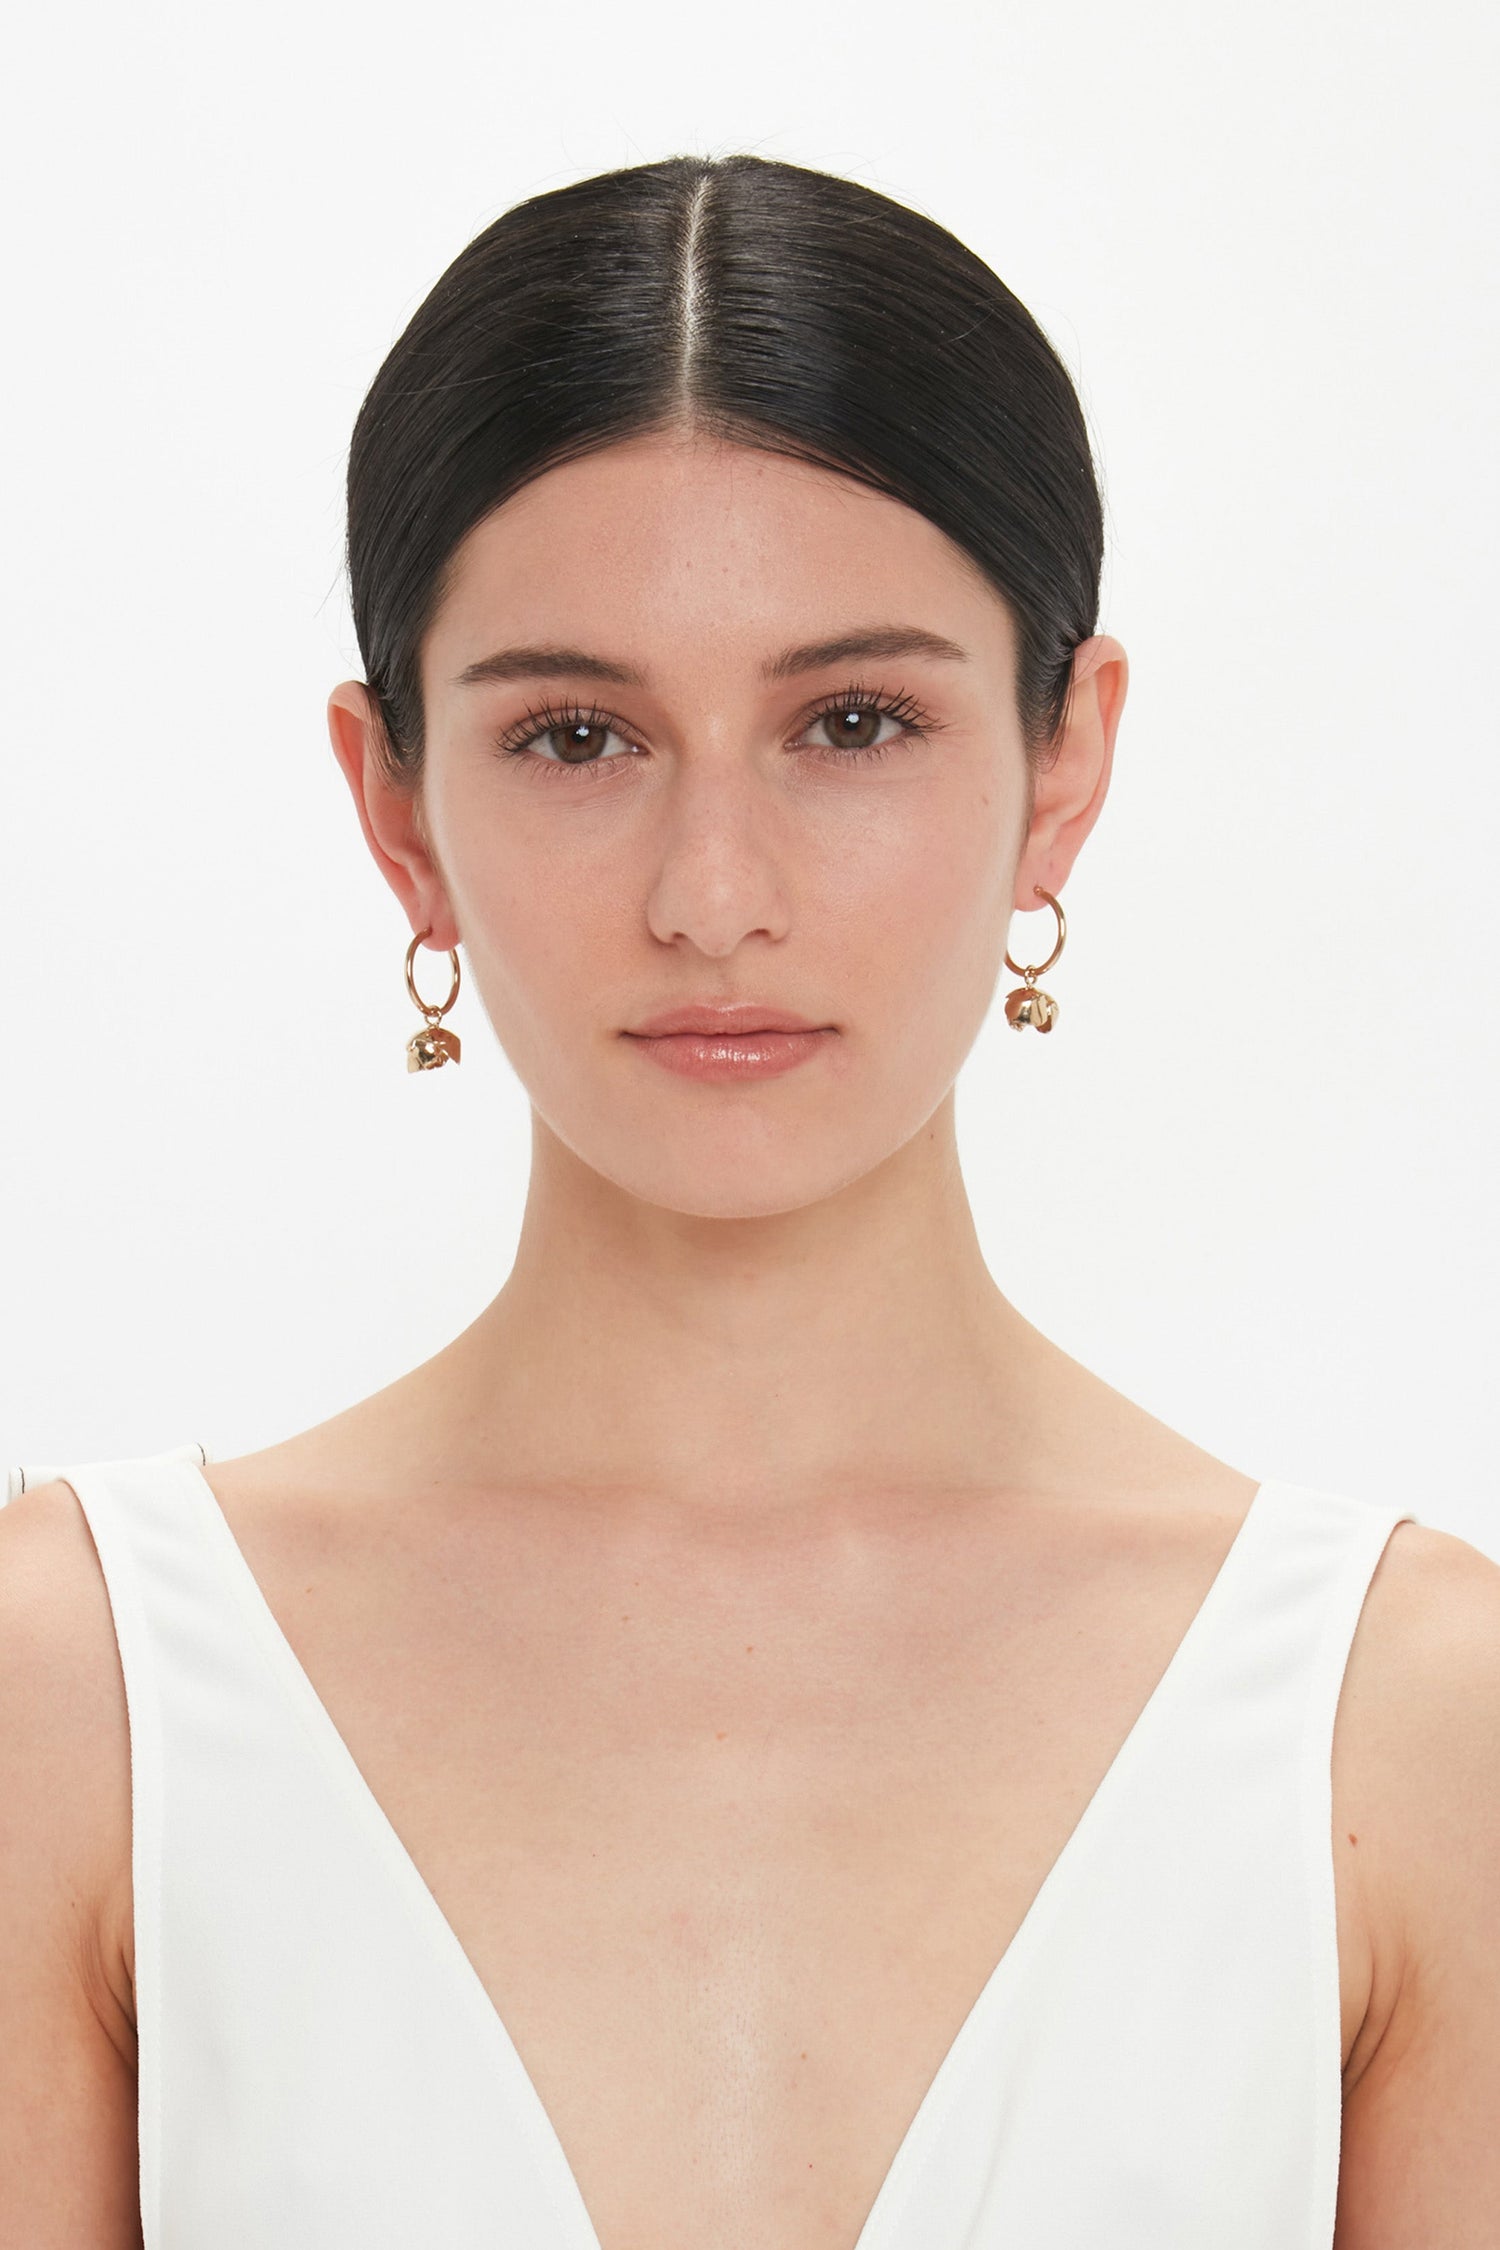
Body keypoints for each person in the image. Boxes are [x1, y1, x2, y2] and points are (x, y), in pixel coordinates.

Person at [3, 153, 1497, 2250]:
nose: (715, 899)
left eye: (854, 721)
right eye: (580, 735)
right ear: (397, 801)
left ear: (1063, 765)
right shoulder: (76, 1691)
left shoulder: (1413, 1723)